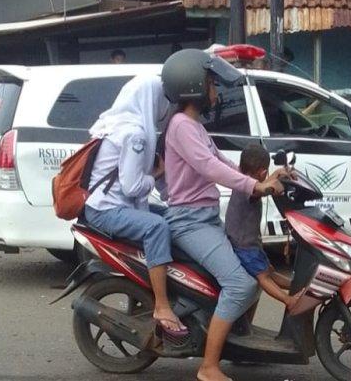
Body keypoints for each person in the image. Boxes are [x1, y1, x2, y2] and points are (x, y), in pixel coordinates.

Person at [161, 49, 283, 381]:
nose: (216, 92)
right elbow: (209, 167)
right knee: (241, 283)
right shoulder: (182, 126)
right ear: (193, 87)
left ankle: (239, 343)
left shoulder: (193, 126)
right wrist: (253, 188)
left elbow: (223, 163)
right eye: (212, 84)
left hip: (204, 218)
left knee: (256, 270)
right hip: (189, 221)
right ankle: (208, 367)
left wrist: (262, 180)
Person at [83, 75, 186, 334]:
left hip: (109, 205)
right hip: (107, 210)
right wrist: (157, 177)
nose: (165, 105)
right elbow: (132, 186)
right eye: (163, 98)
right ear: (150, 99)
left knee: (175, 216)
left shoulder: (118, 123)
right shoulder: (135, 134)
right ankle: (162, 304)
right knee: (157, 227)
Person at [225, 144, 300, 308]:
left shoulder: (242, 180)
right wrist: (273, 185)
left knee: (270, 271)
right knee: (263, 277)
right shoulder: (247, 188)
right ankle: (288, 301)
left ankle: (299, 287)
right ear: (263, 172)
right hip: (243, 245)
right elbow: (259, 190)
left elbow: (262, 184)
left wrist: (277, 175)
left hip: (249, 243)